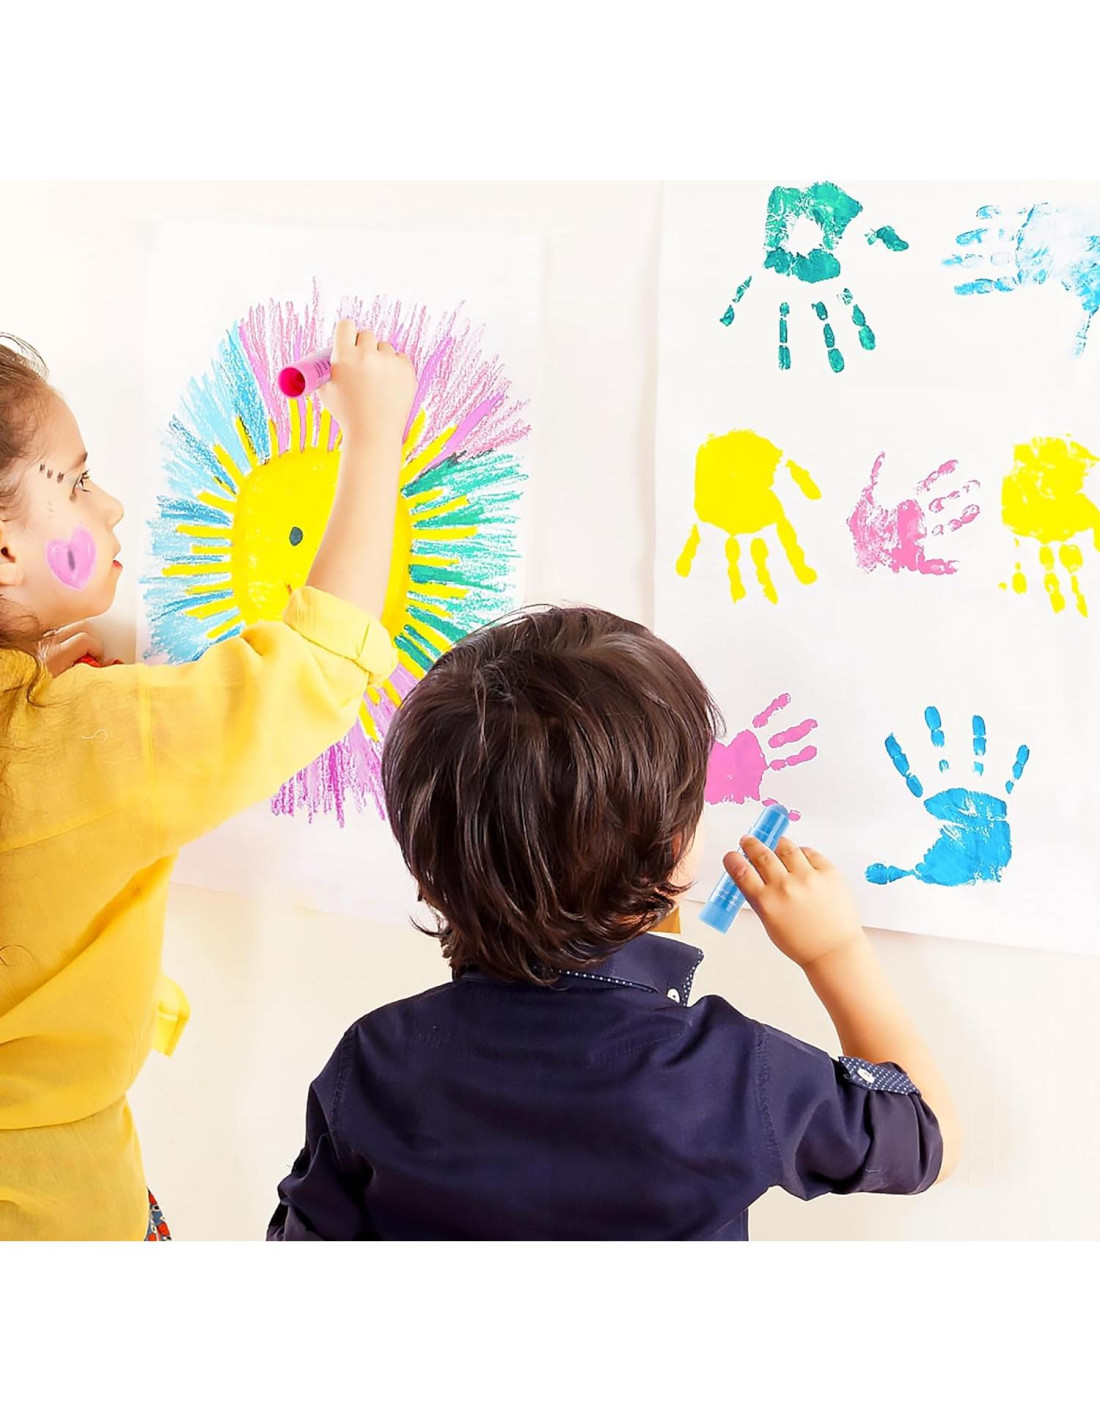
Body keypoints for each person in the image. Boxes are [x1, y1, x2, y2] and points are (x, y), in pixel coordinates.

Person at [270, 606, 960, 1239]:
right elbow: (928, 1135)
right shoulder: (729, 1073)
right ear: (674, 850)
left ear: (425, 871)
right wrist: (833, 949)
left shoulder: (376, 1061)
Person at [0, 322, 415, 1239]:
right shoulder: (70, 740)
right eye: (76, 482)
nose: (111, 506)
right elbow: (311, 670)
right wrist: (376, 436)